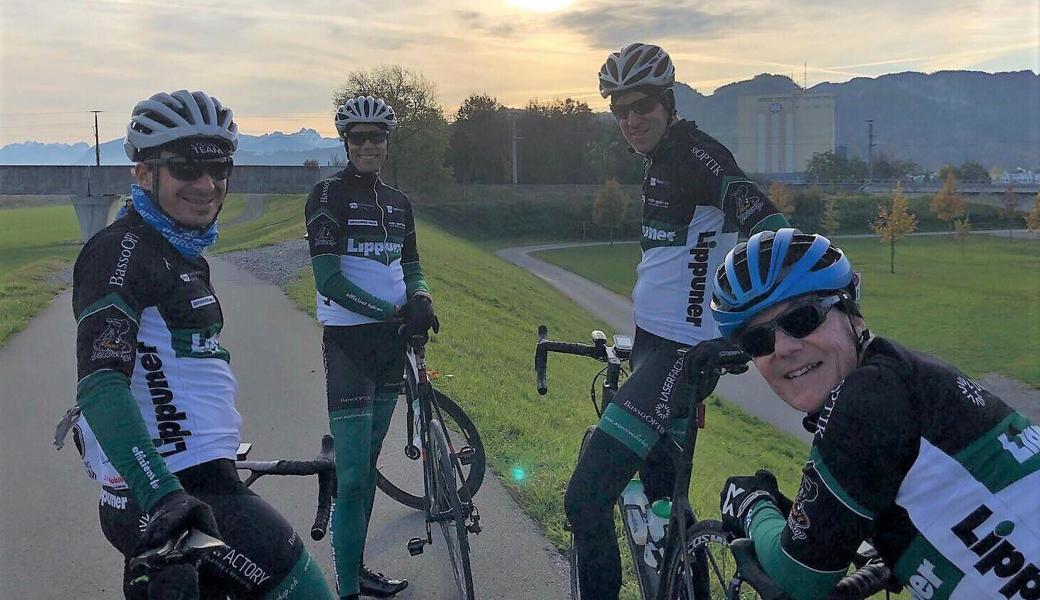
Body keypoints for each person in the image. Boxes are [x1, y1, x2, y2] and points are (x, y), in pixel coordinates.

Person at [72, 90, 335, 598]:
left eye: (219, 170)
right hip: (175, 492)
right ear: (144, 173)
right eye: (187, 169)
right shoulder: (120, 252)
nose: (207, 185)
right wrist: (164, 498)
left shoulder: (179, 246)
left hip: (197, 477)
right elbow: (101, 385)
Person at [564, 43, 792, 598]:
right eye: (620, 110)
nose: (630, 120)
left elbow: (768, 225)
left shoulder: (695, 154)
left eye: (641, 106)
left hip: (682, 355)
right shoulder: (659, 162)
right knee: (667, 503)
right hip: (653, 345)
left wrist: (746, 332)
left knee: (585, 499)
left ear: (667, 102)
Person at [712, 229, 1039, 599]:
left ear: (850, 308)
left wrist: (751, 505)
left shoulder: (862, 405)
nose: (784, 347)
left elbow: (798, 578)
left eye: (802, 319)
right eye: (758, 340)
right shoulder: (904, 373)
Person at [304, 95, 438, 600]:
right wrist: (390, 312)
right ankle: (346, 591)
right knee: (355, 476)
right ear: (345, 142)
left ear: (386, 144)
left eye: (376, 137)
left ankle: (355, 570)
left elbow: (411, 264)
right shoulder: (327, 196)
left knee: (368, 469)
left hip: (391, 346)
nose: (367, 145)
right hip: (349, 347)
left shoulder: (399, 203)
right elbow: (329, 280)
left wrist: (421, 295)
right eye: (358, 137)